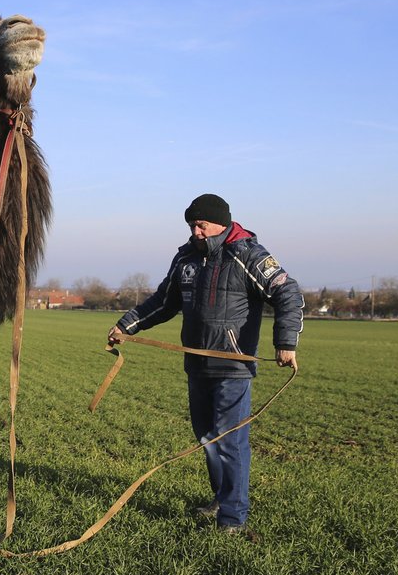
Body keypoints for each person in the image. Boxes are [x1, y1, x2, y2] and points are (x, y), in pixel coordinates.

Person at [107, 193, 303, 536]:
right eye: (191, 225)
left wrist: (285, 342)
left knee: (230, 441)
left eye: (202, 225)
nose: (196, 232)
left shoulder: (249, 254)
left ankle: (232, 519)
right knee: (207, 438)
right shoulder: (185, 258)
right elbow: (163, 302)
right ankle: (220, 499)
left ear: (221, 223)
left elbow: (288, 293)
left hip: (232, 367)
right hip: (196, 364)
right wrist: (126, 325)